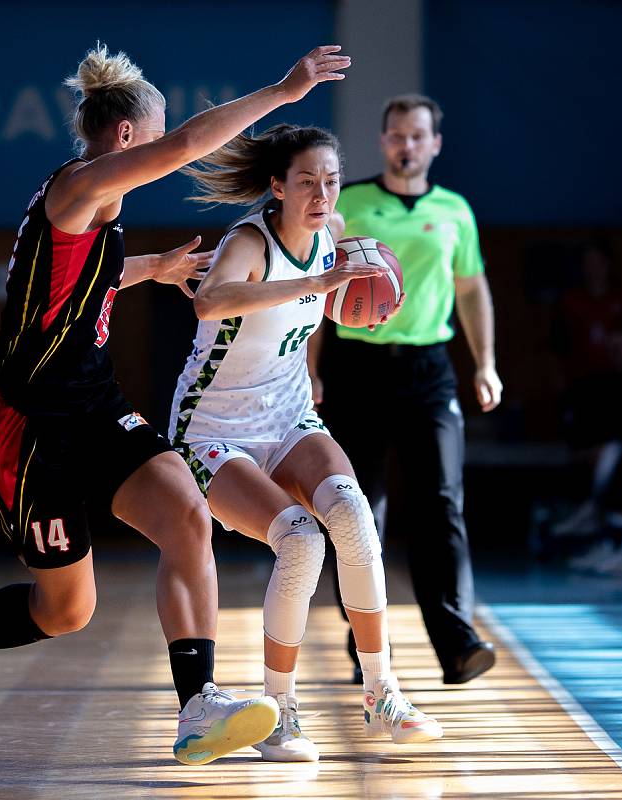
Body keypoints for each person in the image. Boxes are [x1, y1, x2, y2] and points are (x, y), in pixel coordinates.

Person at [0, 41, 352, 766]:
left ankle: (197, 707)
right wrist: (282, 90)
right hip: (25, 421)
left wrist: (160, 268)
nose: (166, 145)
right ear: (125, 138)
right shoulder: (79, 188)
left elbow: (93, 276)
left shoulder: (88, 215)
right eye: (158, 131)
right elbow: (185, 144)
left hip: (92, 401)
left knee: (184, 510)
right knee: (66, 612)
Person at [169, 123, 443, 763]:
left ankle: (382, 691)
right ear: (277, 186)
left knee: (353, 517)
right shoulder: (249, 241)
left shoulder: (333, 229)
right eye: (306, 181)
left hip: (288, 412)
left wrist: (368, 291)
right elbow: (209, 302)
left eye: (331, 180)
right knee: (299, 538)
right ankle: (280, 715)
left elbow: (339, 295)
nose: (321, 193)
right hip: (213, 428)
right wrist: (313, 287)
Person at [310, 93, 501, 685]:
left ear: (435, 144)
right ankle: (362, 633)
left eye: (418, 136)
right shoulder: (353, 205)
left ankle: (457, 641)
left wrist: (485, 363)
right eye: (396, 135)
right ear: (383, 140)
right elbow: (319, 290)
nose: (406, 145)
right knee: (358, 509)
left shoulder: (455, 211)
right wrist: (310, 369)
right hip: (356, 369)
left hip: (428, 369)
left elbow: (471, 290)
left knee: (441, 501)